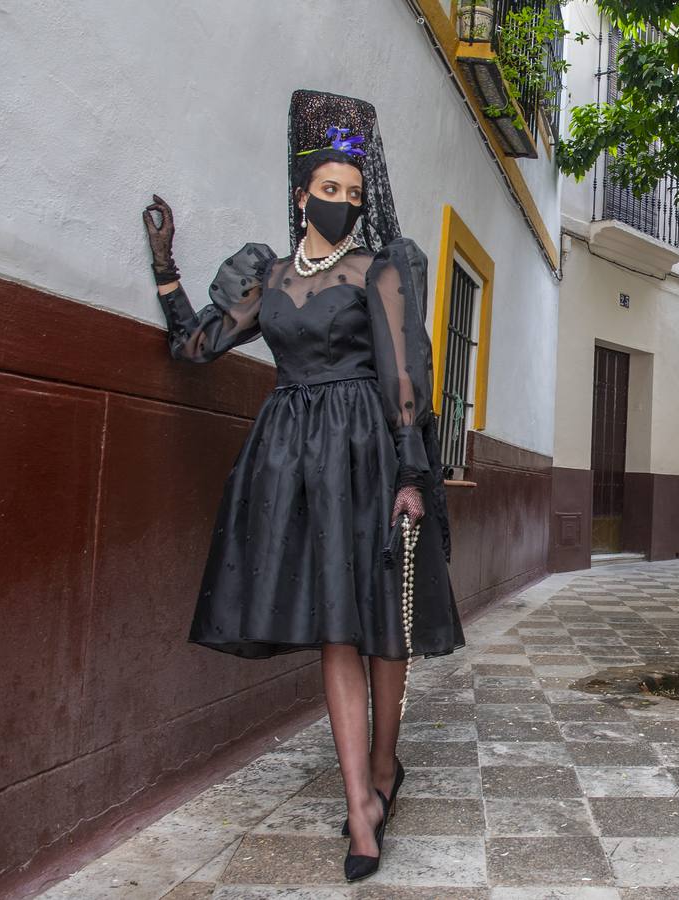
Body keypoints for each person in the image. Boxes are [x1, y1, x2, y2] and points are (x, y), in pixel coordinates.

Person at [141, 89, 466, 882]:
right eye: (329, 192)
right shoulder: (271, 277)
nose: (342, 206)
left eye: (353, 196)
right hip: (292, 464)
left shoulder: (378, 270)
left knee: (381, 623)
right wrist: (164, 267)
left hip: (367, 455)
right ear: (301, 195)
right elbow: (196, 346)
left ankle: (385, 771)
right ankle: (361, 809)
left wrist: (410, 474)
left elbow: (400, 375)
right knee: (334, 630)